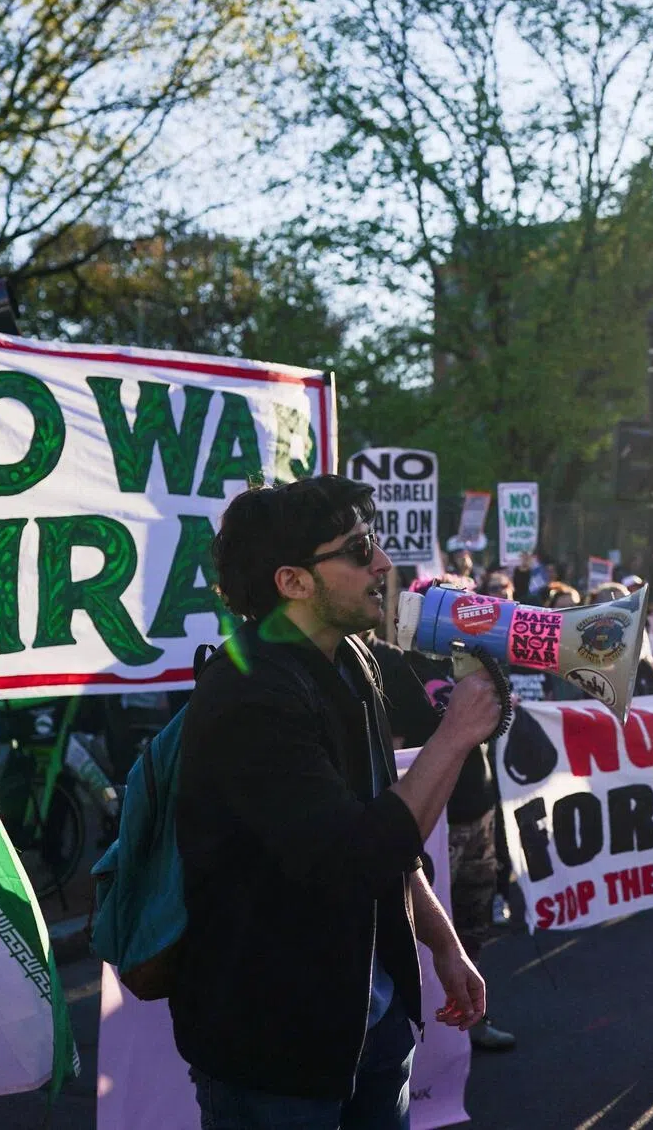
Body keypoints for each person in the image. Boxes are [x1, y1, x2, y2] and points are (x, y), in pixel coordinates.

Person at [171, 475, 502, 1128]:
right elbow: (352, 854)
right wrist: (457, 734)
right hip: (276, 1050)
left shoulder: (355, 659)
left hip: (370, 1024)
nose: (382, 563)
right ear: (292, 582)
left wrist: (444, 943)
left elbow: (383, 831)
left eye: (373, 542)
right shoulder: (248, 695)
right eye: (357, 551)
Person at [366, 624, 517, 1053]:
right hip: (437, 817)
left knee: (472, 919)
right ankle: (431, 1033)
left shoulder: (472, 657)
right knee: (425, 922)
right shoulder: (394, 661)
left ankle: (472, 1016)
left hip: (476, 806)